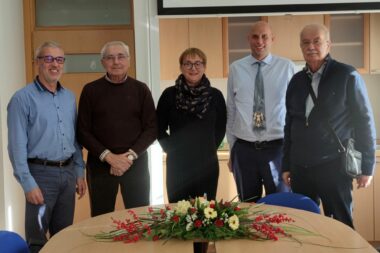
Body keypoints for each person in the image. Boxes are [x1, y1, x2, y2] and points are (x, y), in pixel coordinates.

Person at [282, 24, 376, 228]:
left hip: (334, 166)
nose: (311, 46)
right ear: (301, 46)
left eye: (316, 41)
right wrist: (287, 164)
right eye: (306, 42)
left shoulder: (346, 75)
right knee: (304, 226)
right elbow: (290, 124)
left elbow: (364, 121)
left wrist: (367, 166)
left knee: (341, 225)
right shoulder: (296, 81)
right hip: (300, 168)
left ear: (328, 44)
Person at [7, 41, 86, 252]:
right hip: (40, 177)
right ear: (37, 63)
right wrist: (27, 183)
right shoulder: (22, 99)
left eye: (59, 59)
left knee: (64, 236)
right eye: (48, 59)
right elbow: (16, 146)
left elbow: (74, 138)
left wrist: (79, 171)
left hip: (68, 174)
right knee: (38, 240)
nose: (55, 64)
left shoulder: (68, 97)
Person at [157, 47, 226, 253]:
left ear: (204, 67)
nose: (193, 68)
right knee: (180, 214)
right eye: (188, 63)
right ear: (181, 67)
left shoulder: (215, 96)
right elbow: (158, 129)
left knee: (205, 216)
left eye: (198, 63)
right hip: (178, 165)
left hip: (207, 165)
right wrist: (174, 150)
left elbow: (220, 128)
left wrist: (205, 149)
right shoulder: (169, 95)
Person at [77, 41, 157, 217]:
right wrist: (110, 158)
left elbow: (151, 128)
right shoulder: (90, 91)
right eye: (110, 58)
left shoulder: (141, 89)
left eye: (121, 56)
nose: (116, 62)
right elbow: (83, 131)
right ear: (102, 62)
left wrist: (128, 157)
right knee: (101, 218)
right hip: (100, 164)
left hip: (135, 163)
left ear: (128, 60)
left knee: (140, 217)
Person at [226, 21, 296, 202]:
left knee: (281, 207)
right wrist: (233, 150)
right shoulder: (236, 68)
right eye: (255, 37)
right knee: (248, 208)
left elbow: (294, 112)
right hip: (244, 150)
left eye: (264, 37)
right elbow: (232, 110)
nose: (260, 41)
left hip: (277, 148)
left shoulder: (286, 67)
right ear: (248, 39)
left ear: (272, 39)